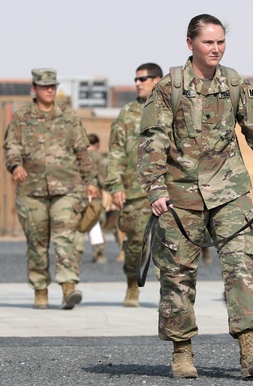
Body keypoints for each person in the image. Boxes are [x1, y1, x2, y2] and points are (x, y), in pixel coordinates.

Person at [138, 14, 253, 379]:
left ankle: (250, 351)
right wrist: (155, 189)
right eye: (209, 42)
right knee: (177, 275)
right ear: (190, 43)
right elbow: (152, 142)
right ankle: (182, 352)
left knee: (242, 266)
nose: (216, 49)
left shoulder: (237, 84)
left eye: (221, 41)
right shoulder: (169, 87)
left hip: (229, 190)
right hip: (180, 195)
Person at [3, 68, 99, 311]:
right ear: (33, 89)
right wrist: (15, 167)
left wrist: (91, 181)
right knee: (37, 243)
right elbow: (11, 147)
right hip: (31, 190)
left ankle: (68, 288)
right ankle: (40, 290)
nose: (49, 90)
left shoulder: (69, 118)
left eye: (53, 86)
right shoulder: (21, 118)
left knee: (66, 237)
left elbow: (82, 152)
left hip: (67, 188)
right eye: (44, 86)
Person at [105, 62, 161, 308]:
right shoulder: (127, 113)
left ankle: (171, 295)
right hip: (136, 190)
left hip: (171, 190)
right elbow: (116, 151)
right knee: (136, 244)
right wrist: (115, 185)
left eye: (144, 78)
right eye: (136, 79)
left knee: (172, 244)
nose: (138, 83)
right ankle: (131, 283)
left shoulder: (175, 110)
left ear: (157, 80)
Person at [86, 133, 122, 264]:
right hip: (94, 196)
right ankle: (98, 253)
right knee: (96, 224)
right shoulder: (97, 157)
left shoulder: (78, 156)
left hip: (76, 195)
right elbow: (105, 176)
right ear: (97, 145)